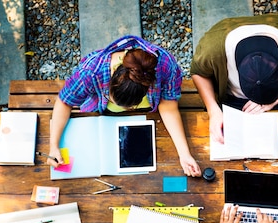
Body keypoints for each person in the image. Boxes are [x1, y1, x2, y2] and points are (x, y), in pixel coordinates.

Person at [47, 35, 201, 177]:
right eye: (112, 98)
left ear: (147, 87)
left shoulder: (166, 66)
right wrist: (54, 146)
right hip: (99, 115)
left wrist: (184, 154)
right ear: (113, 73)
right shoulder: (91, 71)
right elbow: (65, 101)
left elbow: (168, 106)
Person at [190, 14, 278, 143]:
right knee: (223, 142)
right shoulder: (213, 50)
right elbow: (199, 73)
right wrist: (213, 110)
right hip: (232, 98)